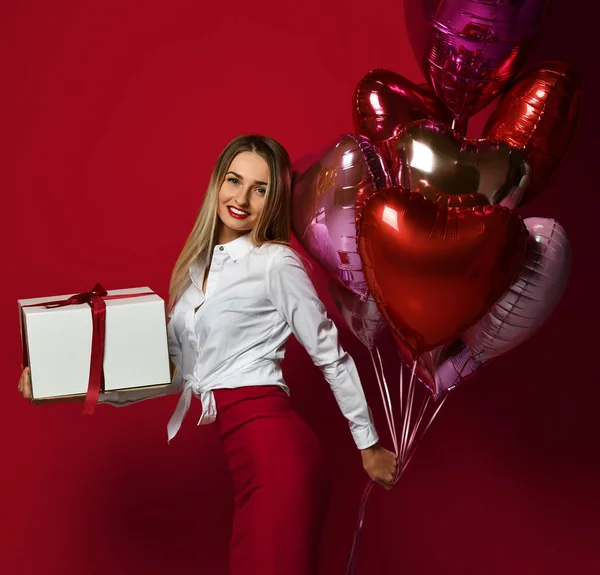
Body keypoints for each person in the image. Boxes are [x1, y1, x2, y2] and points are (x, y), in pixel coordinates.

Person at [18, 134, 398, 575]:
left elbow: (331, 355)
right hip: (247, 462)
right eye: (234, 180)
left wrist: (367, 445)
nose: (242, 198)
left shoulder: (276, 263)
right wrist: (59, 388)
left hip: (277, 454)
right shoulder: (196, 272)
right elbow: (170, 375)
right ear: (217, 182)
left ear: (274, 200)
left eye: (261, 189)